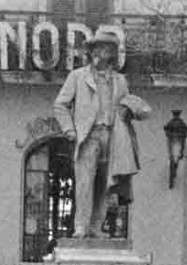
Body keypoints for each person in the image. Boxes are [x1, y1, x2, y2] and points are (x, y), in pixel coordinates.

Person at [50, 33, 150, 240]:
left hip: (112, 136)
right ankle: (80, 226)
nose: (101, 52)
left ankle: (96, 226)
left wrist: (129, 110)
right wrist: (69, 129)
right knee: (85, 183)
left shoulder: (120, 80)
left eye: (107, 48)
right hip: (89, 136)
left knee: (105, 184)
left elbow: (127, 104)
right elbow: (60, 104)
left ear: (112, 54)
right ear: (92, 51)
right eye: (99, 48)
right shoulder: (78, 76)